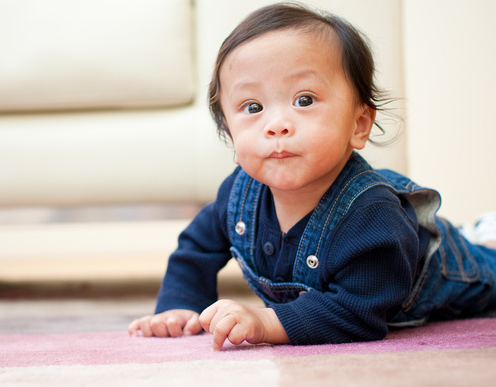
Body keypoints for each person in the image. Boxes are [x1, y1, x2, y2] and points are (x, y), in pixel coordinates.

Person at [128, 3, 496, 351]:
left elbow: (358, 315)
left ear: (358, 124)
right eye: (252, 107)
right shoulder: (238, 196)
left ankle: (480, 238)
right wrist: (180, 305)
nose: (276, 126)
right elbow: (196, 248)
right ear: (228, 132)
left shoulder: (373, 216)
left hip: (448, 271)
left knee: (487, 273)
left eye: (304, 100)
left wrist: (268, 323)